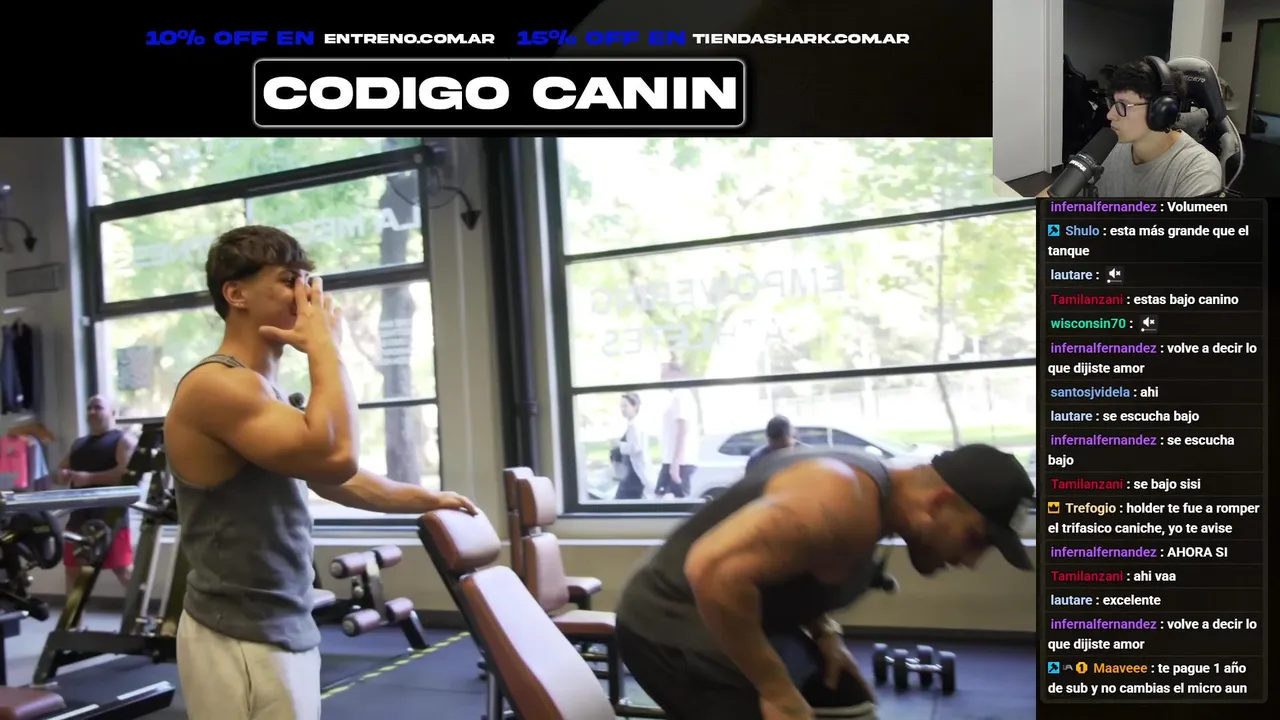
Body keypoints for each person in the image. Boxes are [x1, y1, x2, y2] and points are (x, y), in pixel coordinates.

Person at [164, 225, 479, 720]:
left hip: (280, 622)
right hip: (238, 633)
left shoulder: (261, 389)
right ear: (236, 294)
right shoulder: (218, 386)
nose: (307, 295)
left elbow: (334, 477)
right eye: (289, 280)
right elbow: (335, 457)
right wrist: (326, 349)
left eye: (308, 280)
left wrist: (427, 499)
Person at [616, 443, 1034, 720]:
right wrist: (777, 692)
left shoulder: (875, 495)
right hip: (672, 629)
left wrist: (824, 632)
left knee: (848, 701)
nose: (971, 560)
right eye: (975, 539)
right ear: (940, 502)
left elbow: (792, 562)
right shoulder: (839, 498)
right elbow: (712, 571)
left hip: (740, 620)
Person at [1039, 56, 1222, 199]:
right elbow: (1055, 195)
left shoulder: (1198, 169)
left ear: (1161, 111)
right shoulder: (1110, 147)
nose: (1110, 115)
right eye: (1113, 103)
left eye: (1123, 105)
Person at [58, 395, 139, 596]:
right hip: (79, 516)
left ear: (113, 412)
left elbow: (127, 474)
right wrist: (63, 474)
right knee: (73, 571)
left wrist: (89, 478)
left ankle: (141, 611)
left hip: (111, 517)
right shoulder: (79, 444)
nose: (92, 412)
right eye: (89, 408)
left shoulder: (123, 440)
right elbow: (60, 470)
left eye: (98, 407)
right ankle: (73, 617)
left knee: (124, 570)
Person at [655, 361, 700, 499]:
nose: (661, 378)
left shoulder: (682, 396)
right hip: (673, 460)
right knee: (661, 498)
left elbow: (683, 429)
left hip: (680, 461)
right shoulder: (678, 396)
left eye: (664, 373)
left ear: (675, 374)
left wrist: (676, 463)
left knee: (673, 500)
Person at [611, 392, 652, 500]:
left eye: (625, 406)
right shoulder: (633, 424)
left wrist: (618, 444)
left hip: (634, 473)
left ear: (635, 407)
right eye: (621, 406)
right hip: (631, 472)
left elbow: (636, 447)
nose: (622, 409)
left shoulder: (635, 425)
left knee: (621, 502)